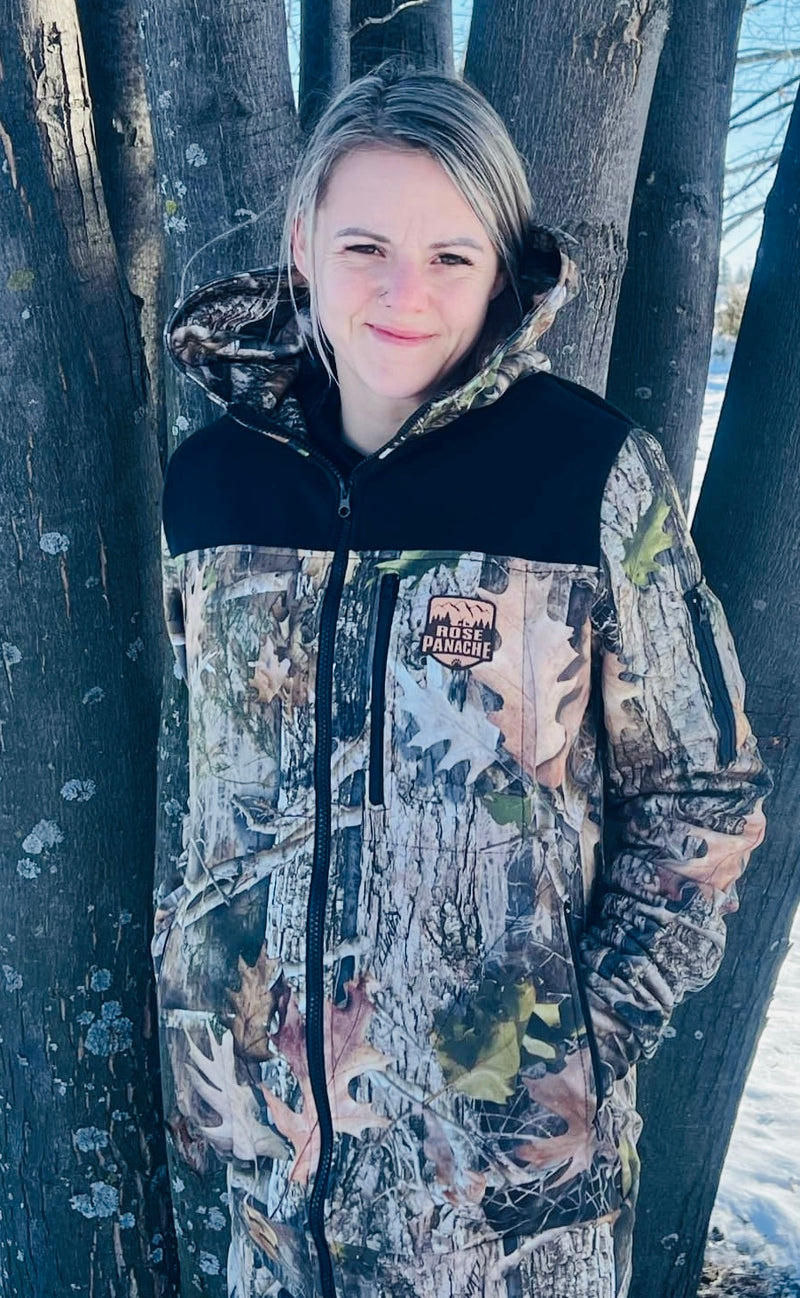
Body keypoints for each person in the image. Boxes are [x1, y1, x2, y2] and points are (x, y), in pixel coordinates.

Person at [155, 61, 771, 1298]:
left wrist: (569, 1047)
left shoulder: (582, 474)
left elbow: (700, 796)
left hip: (500, 1197)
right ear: (301, 244)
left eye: (449, 255)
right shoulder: (214, 480)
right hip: (265, 1172)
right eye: (365, 246)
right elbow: (208, 782)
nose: (404, 293)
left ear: (500, 270)